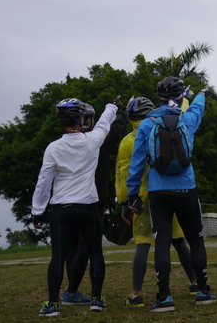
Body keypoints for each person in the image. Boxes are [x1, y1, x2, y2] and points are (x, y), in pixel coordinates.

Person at [126, 76, 217, 313]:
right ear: (180, 97)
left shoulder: (147, 124)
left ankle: (164, 297)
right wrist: (202, 94)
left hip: (158, 191)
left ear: (158, 98)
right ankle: (203, 290)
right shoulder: (187, 119)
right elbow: (197, 107)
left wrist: (132, 194)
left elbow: (136, 164)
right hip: (187, 187)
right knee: (195, 240)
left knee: (163, 244)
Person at [31, 97, 118, 317]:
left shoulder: (53, 148)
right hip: (88, 206)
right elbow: (105, 123)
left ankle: (52, 304)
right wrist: (112, 106)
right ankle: (97, 299)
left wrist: (37, 211)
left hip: (62, 208)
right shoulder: (92, 141)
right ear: (81, 118)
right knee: (95, 254)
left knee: (58, 257)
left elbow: (44, 181)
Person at [115, 96, 197, 308]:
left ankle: (136, 293)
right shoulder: (161, 127)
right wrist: (185, 98)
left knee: (143, 243)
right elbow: (181, 110)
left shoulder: (127, 141)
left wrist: (125, 201)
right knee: (178, 240)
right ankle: (195, 282)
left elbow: (125, 173)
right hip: (167, 192)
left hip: (141, 198)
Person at [62, 101, 128, 306]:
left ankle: (70, 290)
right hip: (93, 199)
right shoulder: (100, 141)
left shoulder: (64, 143)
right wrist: (121, 110)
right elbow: (116, 128)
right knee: (88, 248)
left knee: (71, 248)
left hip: (67, 200)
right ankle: (73, 291)